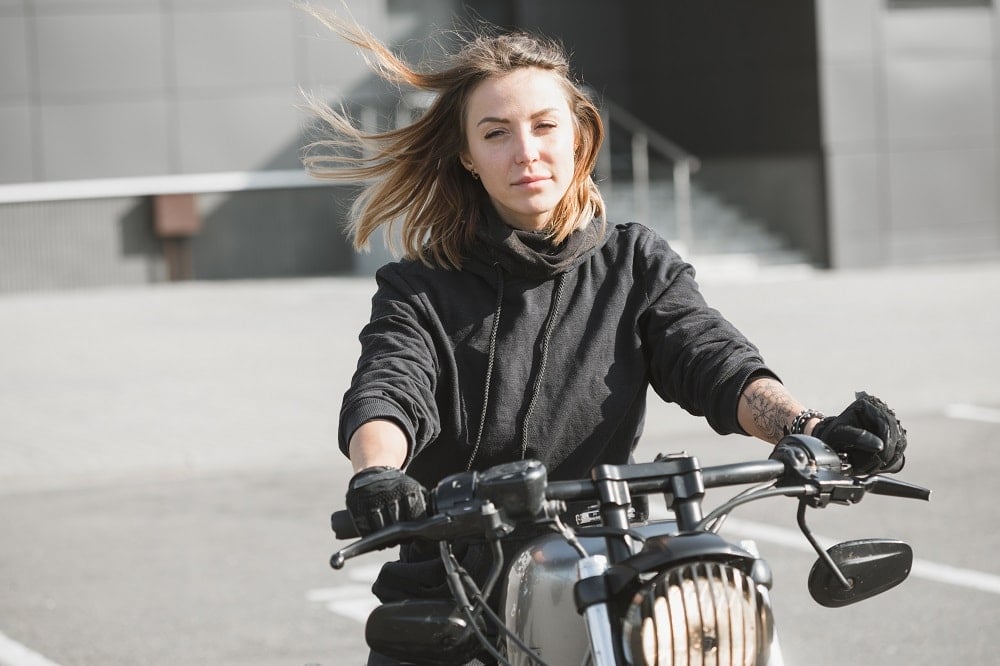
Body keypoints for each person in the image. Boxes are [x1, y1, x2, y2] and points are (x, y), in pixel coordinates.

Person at [302, 8, 906, 665]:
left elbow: (713, 359)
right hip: (452, 584)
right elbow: (390, 387)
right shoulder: (419, 287)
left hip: (599, 561)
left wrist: (809, 428)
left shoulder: (636, 265)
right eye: (496, 133)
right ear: (469, 158)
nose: (526, 151)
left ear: (579, 137)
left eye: (543, 125)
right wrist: (379, 473)